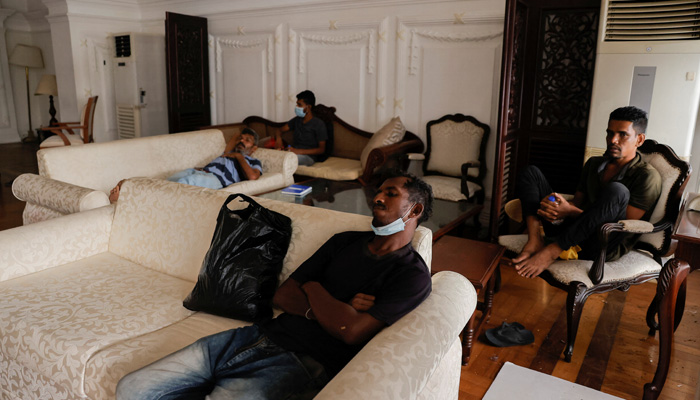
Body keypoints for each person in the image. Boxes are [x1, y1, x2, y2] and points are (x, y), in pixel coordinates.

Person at [116, 171, 434, 400]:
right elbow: (284, 295)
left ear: (415, 210)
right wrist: (329, 300)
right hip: (256, 335)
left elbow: (349, 331)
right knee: (131, 388)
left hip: (304, 362)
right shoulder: (344, 243)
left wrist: (311, 287)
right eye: (379, 191)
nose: (377, 197)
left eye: (391, 194)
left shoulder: (411, 274)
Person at [512, 106, 662, 279]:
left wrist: (571, 211)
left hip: (602, 242)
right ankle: (534, 239)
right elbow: (577, 201)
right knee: (531, 173)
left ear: (640, 139)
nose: (613, 140)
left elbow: (621, 226)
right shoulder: (594, 164)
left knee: (617, 190)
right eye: (609, 133)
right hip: (572, 231)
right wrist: (559, 206)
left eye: (622, 134)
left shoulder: (647, 177)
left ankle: (551, 252)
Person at [167, 128, 263, 190]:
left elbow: (253, 177)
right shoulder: (228, 153)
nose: (242, 141)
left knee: (187, 182)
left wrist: (238, 156)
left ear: (254, 148)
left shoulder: (252, 161)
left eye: (247, 140)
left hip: (217, 179)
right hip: (201, 171)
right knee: (167, 183)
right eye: (241, 138)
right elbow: (236, 135)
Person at [275, 90, 328, 166]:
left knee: (285, 160)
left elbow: (321, 150)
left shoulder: (319, 124)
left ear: (308, 107)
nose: (297, 107)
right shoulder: (297, 120)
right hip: (293, 153)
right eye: (297, 104)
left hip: (308, 157)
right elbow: (279, 130)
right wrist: (278, 139)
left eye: (299, 105)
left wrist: (298, 151)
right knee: (275, 156)